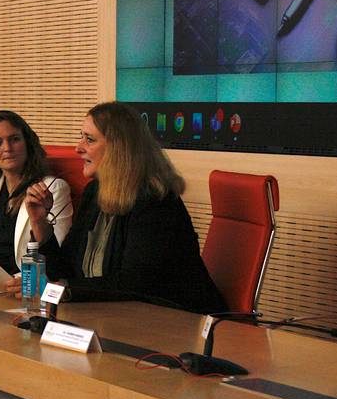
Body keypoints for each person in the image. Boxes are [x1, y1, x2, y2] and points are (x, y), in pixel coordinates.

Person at [24, 102, 228, 314]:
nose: (78, 147)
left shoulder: (155, 199)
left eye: (90, 139)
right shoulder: (94, 192)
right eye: (81, 136)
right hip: (118, 318)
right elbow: (65, 270)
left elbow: (136, 282)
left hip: (178, 322)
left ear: (118, 148)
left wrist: (67, 290)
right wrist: (41, 223)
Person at [0, 110, 73, 294]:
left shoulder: (52, 188)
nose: (7, 148)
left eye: (14, 139)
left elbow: (56, 253)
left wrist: (20, 282)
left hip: (22, 290)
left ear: (27, 142)